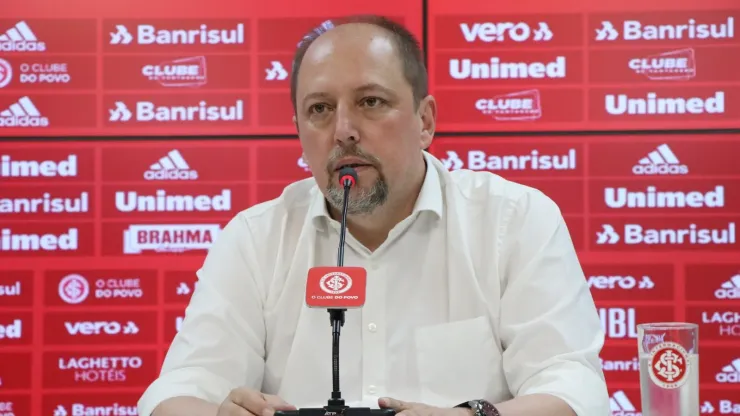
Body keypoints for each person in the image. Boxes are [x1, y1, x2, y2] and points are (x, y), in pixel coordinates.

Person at [138, 14, 610, 416]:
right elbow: (182, 388)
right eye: (320, 109)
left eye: (370, 102)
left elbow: (571, 383)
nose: (344, 131)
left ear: (424, 122)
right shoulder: (255, 239)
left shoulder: (514, 220)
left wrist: (477, 415)